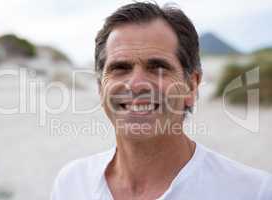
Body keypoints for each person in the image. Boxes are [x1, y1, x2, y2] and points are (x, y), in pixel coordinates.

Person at [51, 2, 272, 200]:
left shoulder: (254, 192)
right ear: (101, 87)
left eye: (157, 68)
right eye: (120, 68)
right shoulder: (71, 184)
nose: (136, 84)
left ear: (191, 85)